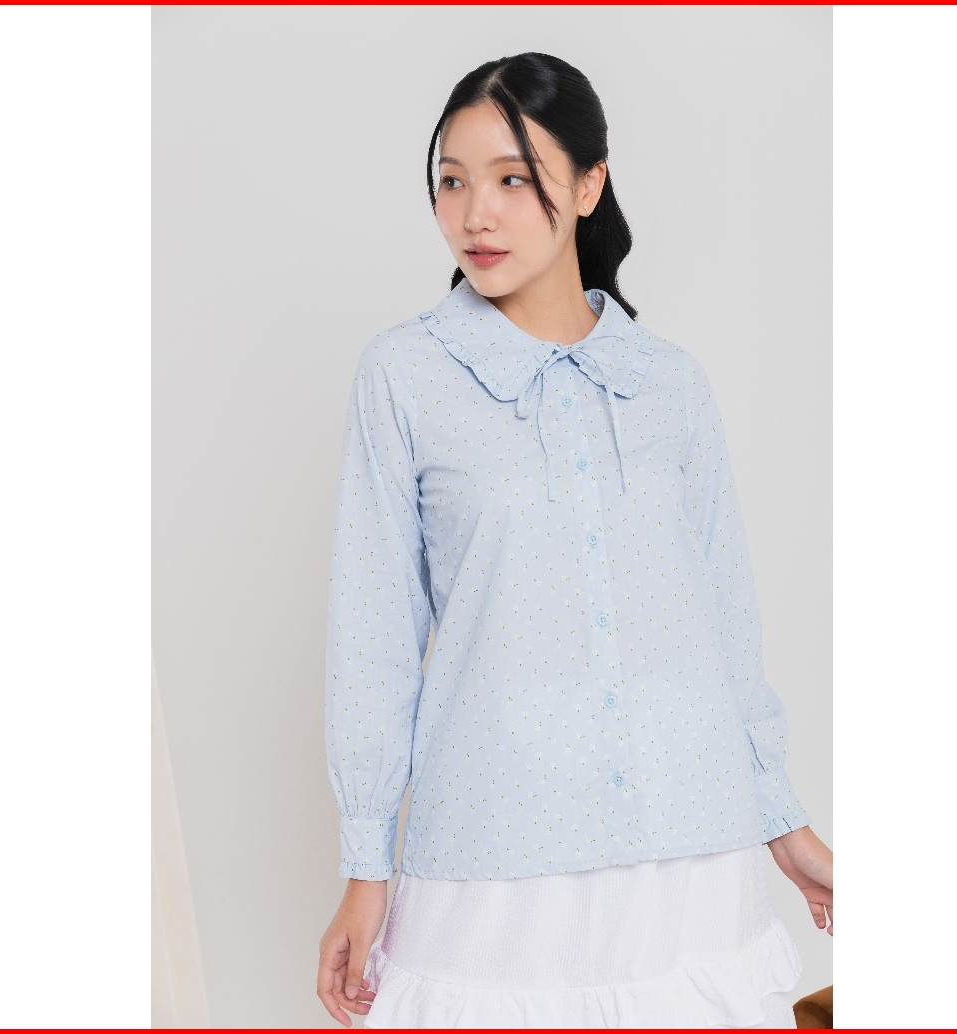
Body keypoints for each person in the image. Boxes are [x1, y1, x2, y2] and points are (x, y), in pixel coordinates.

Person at [316, 52, 833, 1030]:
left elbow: (724, 625)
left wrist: (780, 817)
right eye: (452, 182)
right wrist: (365, 864)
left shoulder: (669, 383)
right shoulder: (404, 376)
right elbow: (372, 638)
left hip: (692, 848)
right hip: (497, 850)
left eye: (513, 180)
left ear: (589, 184)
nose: (475, 215)